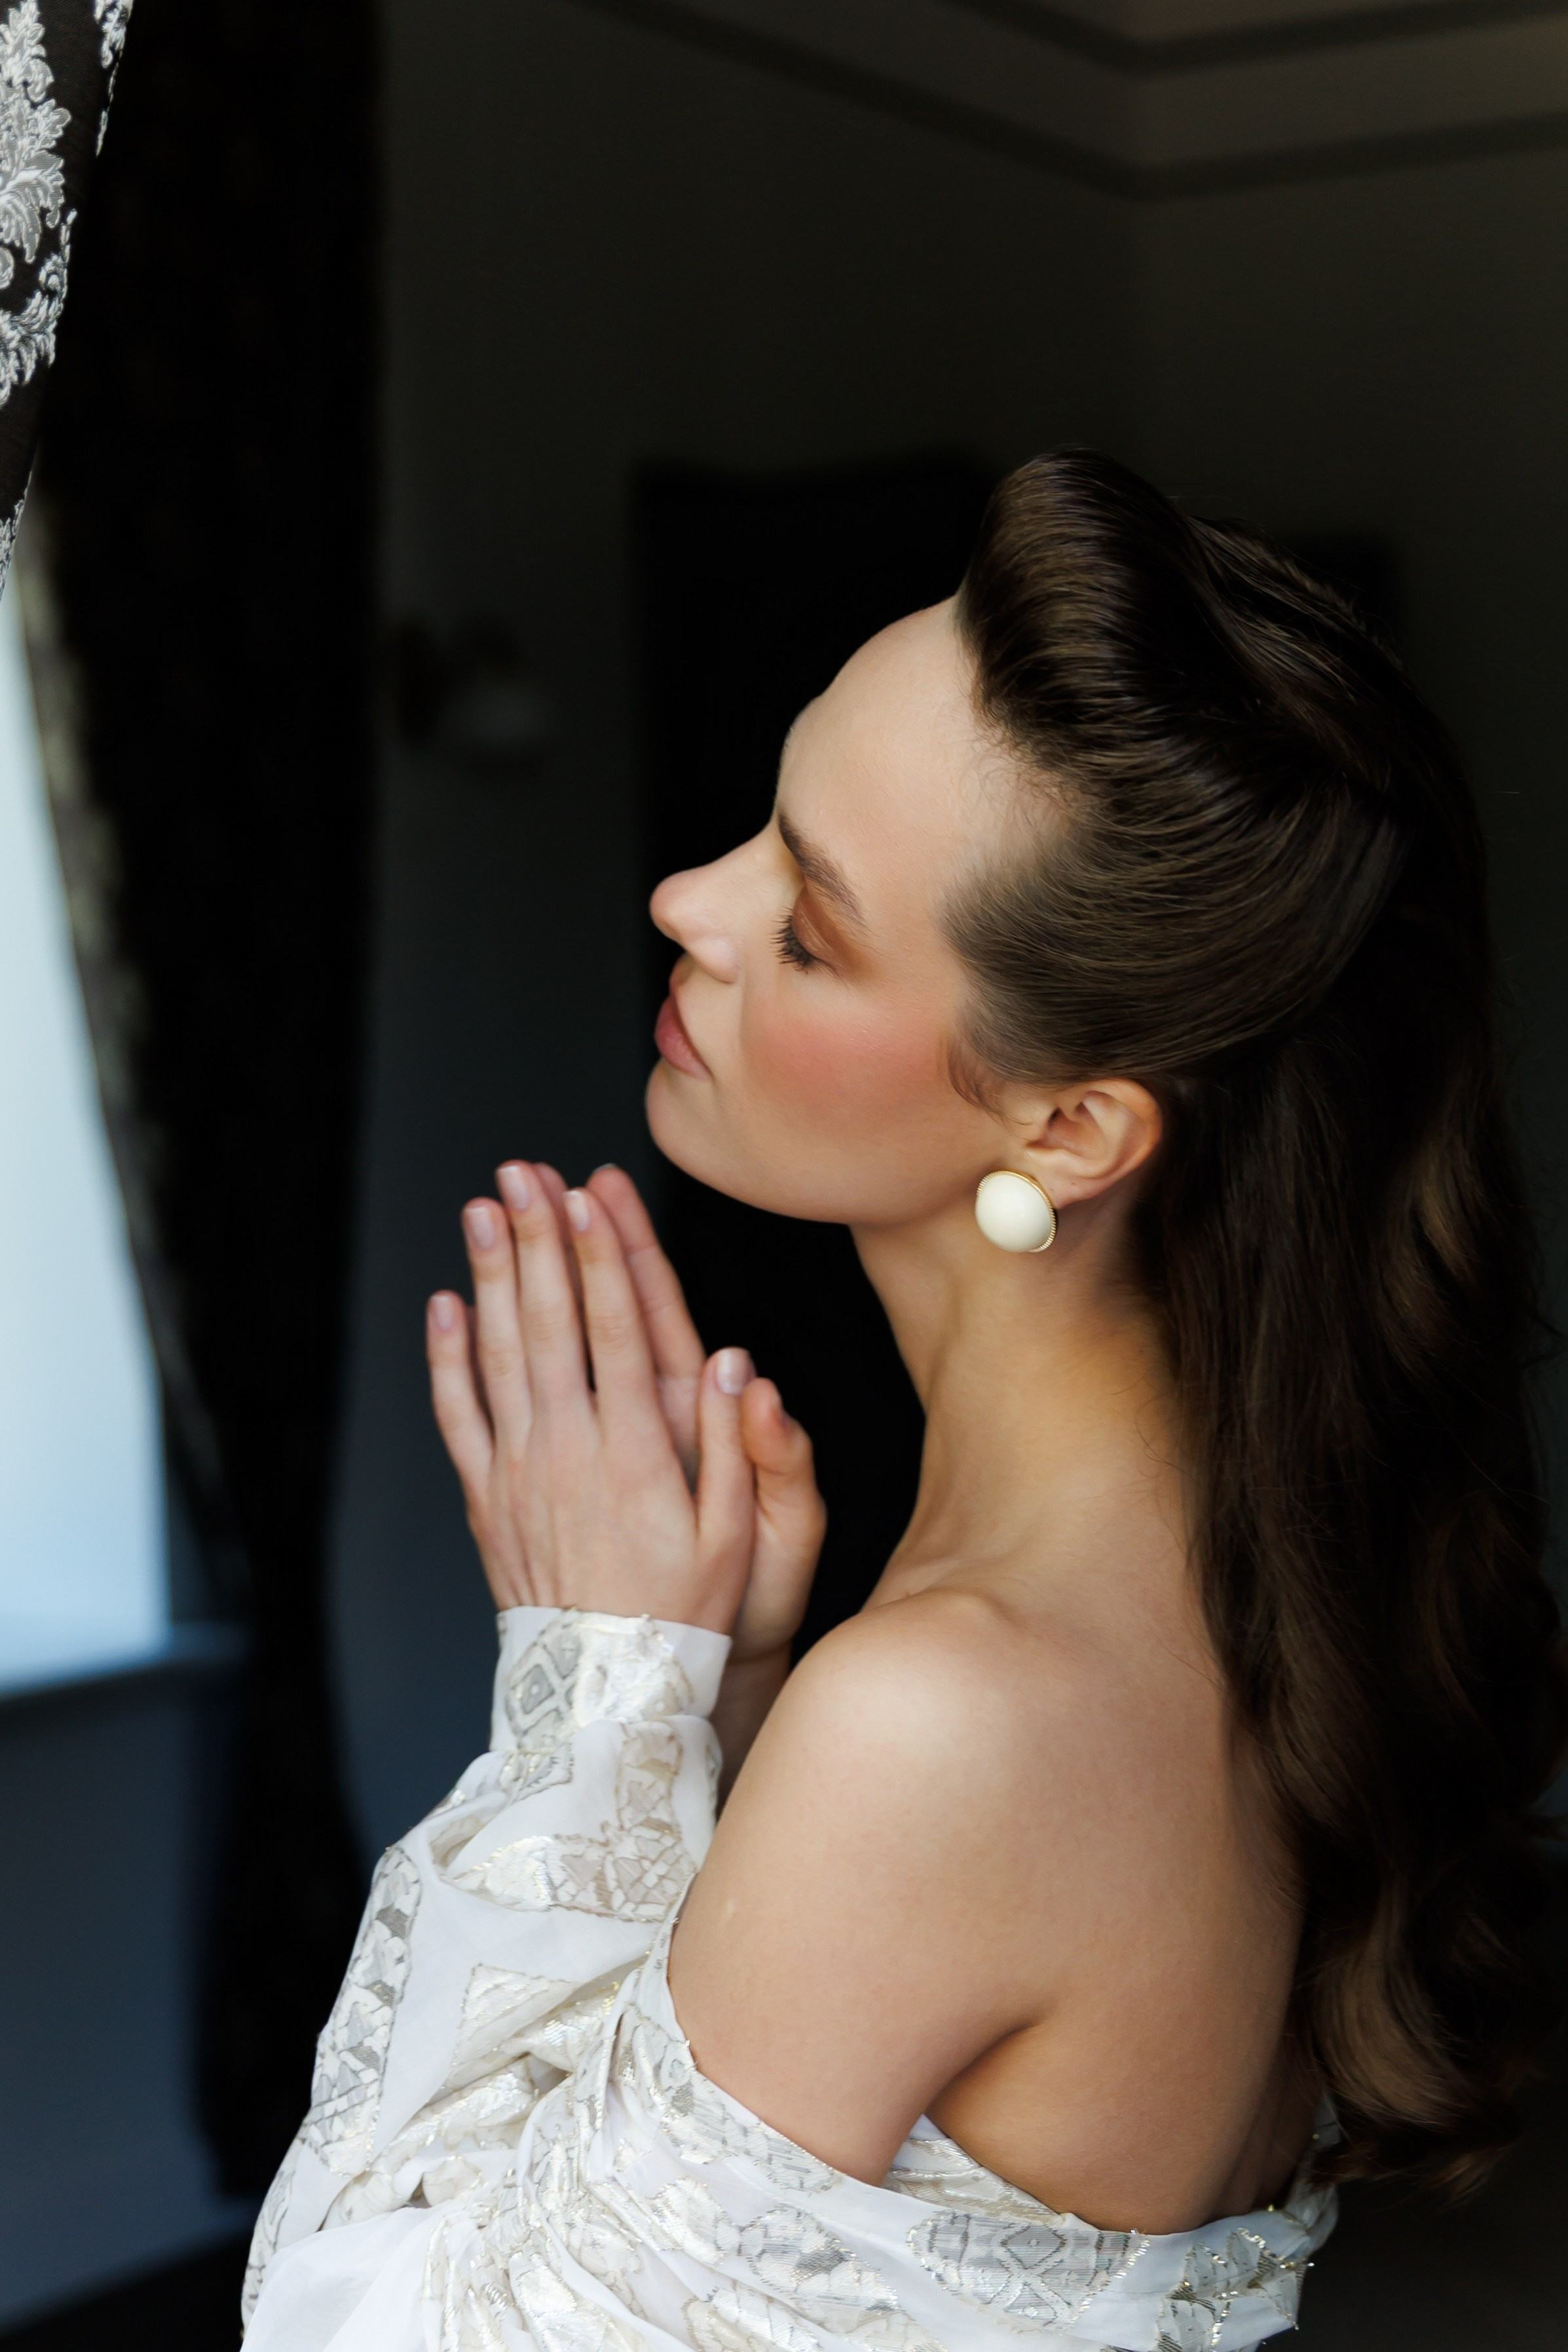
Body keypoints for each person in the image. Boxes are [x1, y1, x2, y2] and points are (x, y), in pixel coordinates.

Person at [242, 453, 1567, 2352]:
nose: (687, 898)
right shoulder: (1228, 1606)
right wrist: (738, 1713)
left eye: (807, 924)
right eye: (758, 830)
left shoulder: (943, 1722)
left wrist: (593, 1701)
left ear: (1069, 1124)